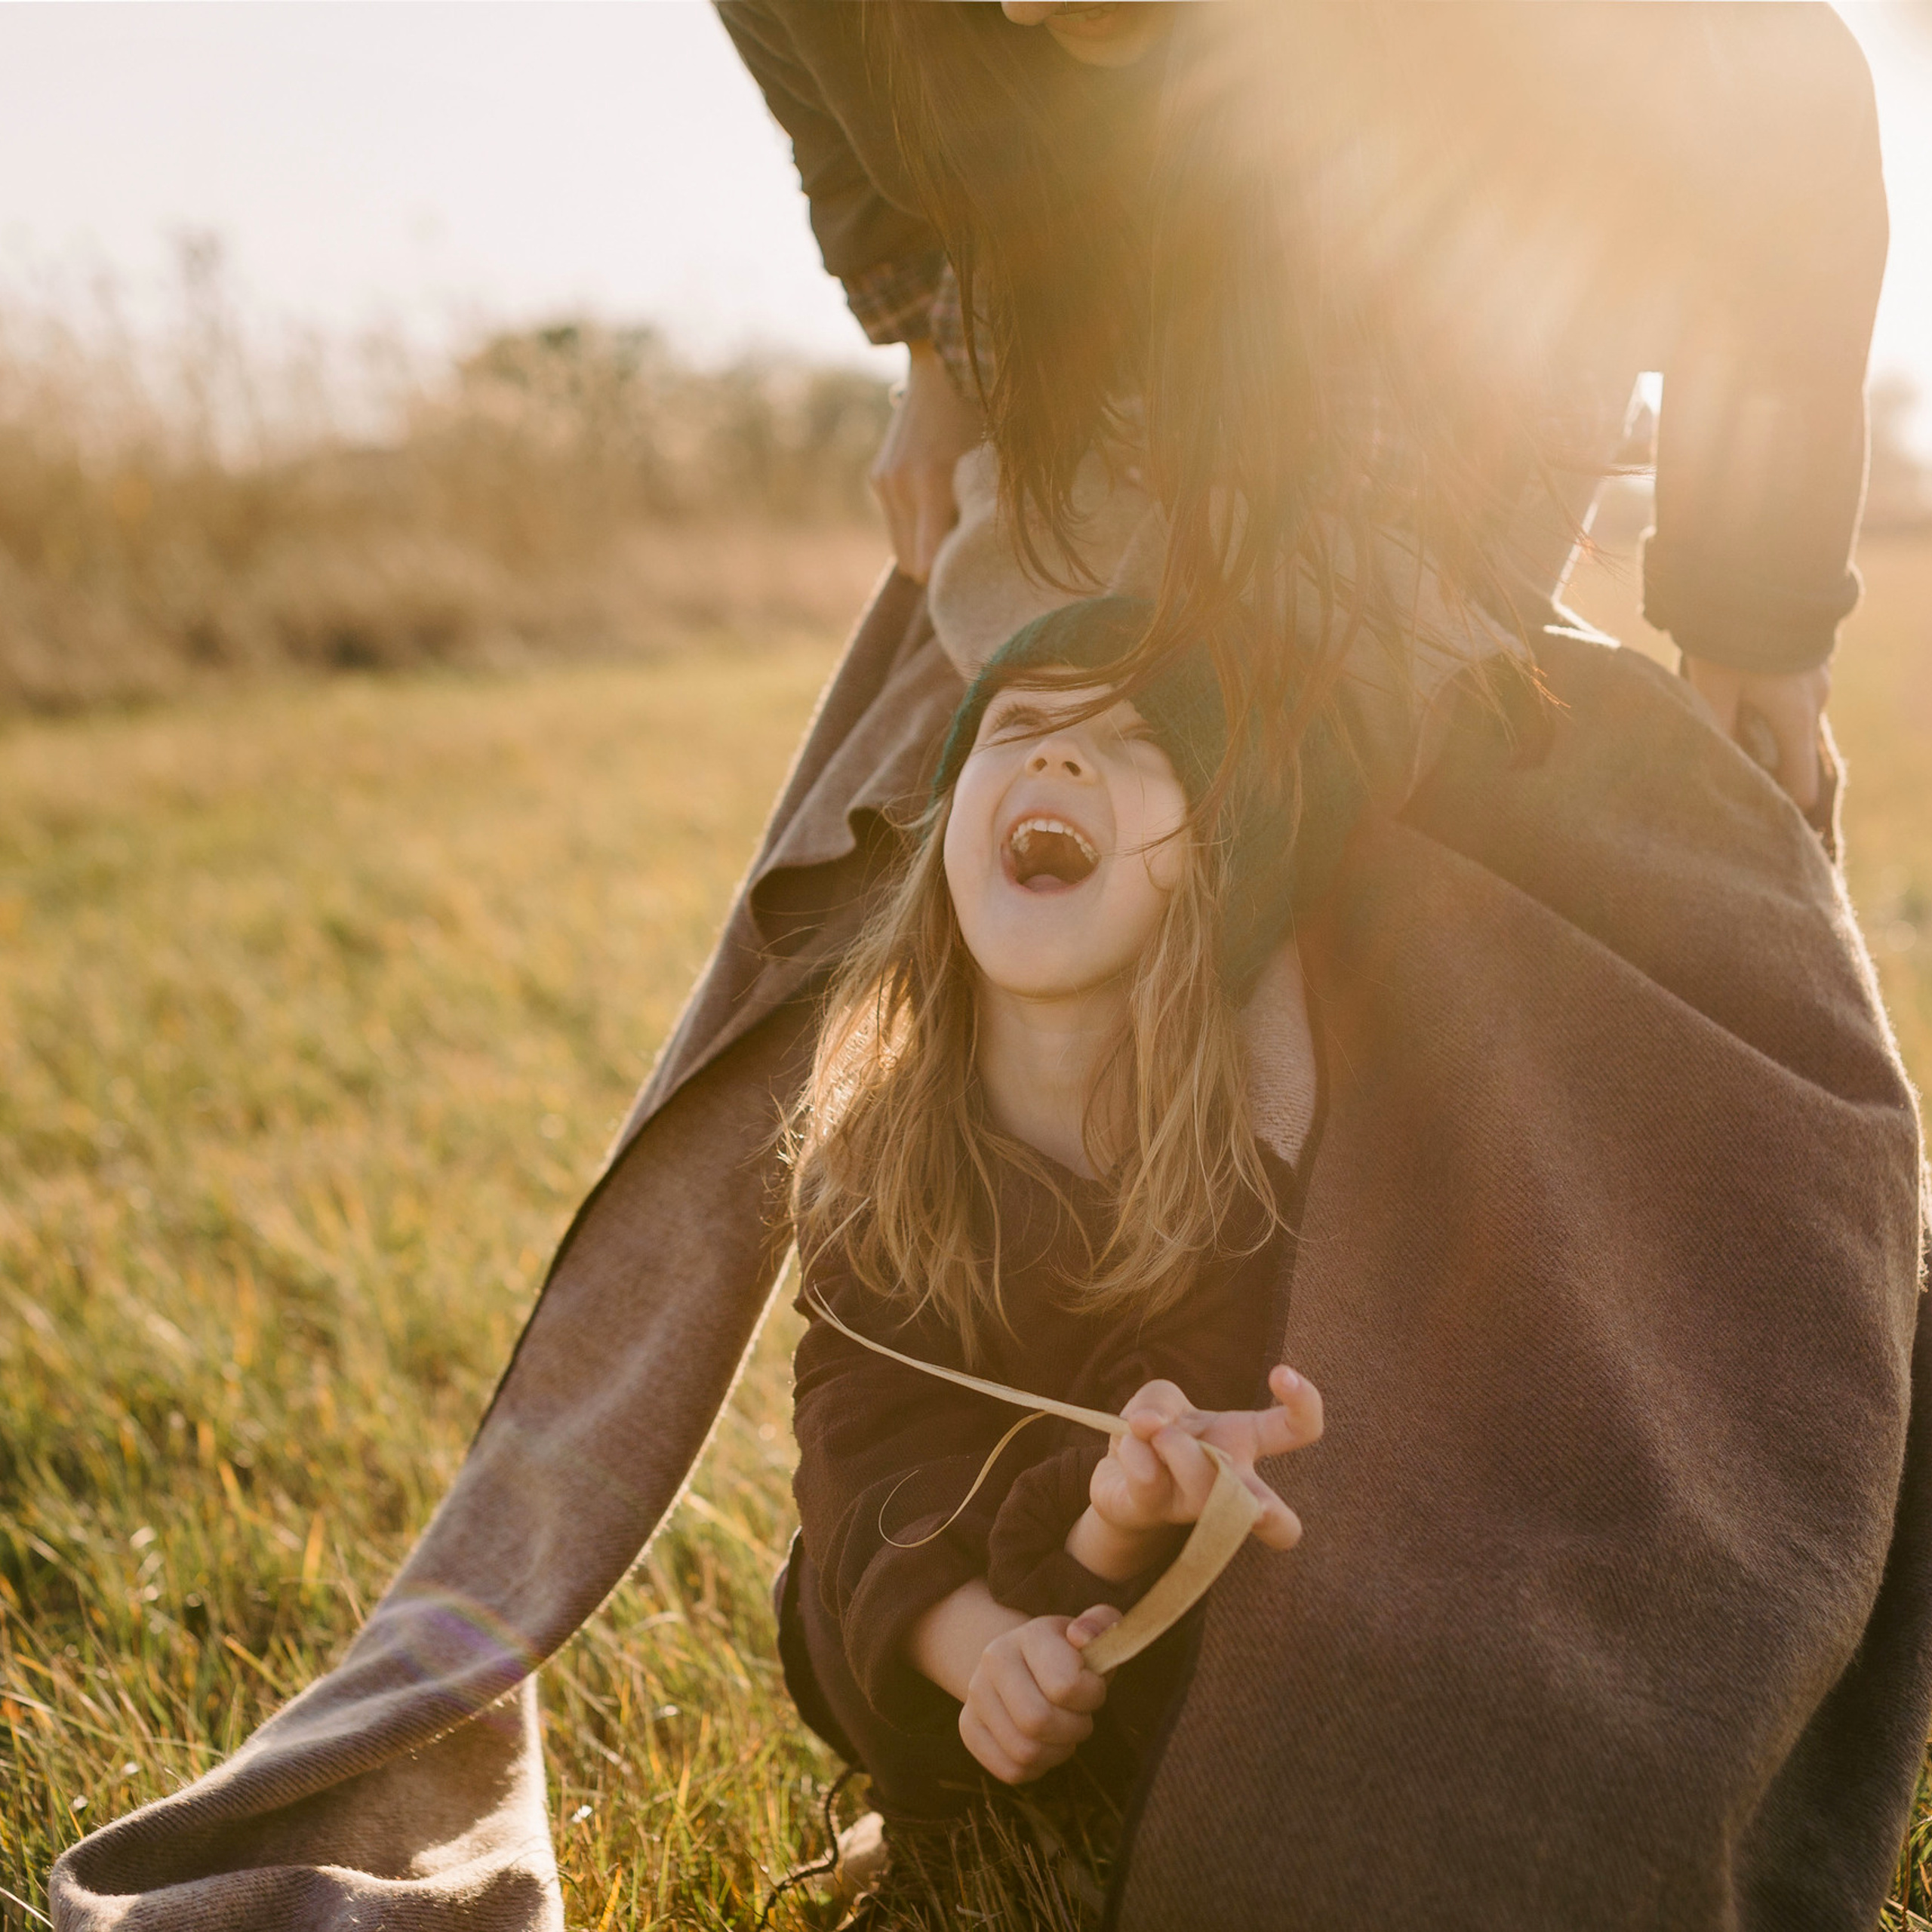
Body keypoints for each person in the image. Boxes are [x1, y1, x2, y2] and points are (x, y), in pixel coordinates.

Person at [51, 8, 1927, 1930]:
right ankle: (1032, 1665)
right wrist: (937, 339)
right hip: (1080, 450)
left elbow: (1776, 93)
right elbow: (845, 95)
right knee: (1028, 1057)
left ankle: (1402, 1721)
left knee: (1494, 1062)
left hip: (1426, 482)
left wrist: (1757, 620)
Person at [777, 598, 1322, 1828]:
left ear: (1199, 860)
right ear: (949, 837)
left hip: (1126, 1617)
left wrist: (1122, 1517)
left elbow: (1159, 1458)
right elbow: (859, 1438)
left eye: (1135, 741)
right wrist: (977, 1652)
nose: (1059, 754)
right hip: (916, 1636)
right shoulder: (877, 1160)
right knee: (821, 1591)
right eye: (1016, 725)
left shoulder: (1233, 1180)